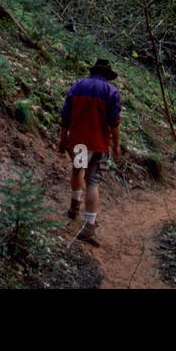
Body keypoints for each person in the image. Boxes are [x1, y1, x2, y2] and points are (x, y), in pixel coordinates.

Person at [58, 58, 121, 247]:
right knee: (92, 180)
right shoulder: (110, 91)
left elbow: (65, 116)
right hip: (98, 143)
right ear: (107, 75)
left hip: (78, 141)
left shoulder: (78, 86)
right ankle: (89, 226)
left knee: (77, 171)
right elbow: (114, 122)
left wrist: (63, 138)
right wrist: (116, 144)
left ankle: (74, 206)